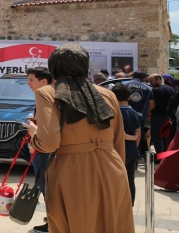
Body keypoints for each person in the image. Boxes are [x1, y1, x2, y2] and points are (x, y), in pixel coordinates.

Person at [28, 43, 134, 233]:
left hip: (72, 170)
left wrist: (34, 134)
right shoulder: (108, 94)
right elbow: (119, 140)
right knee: (112, 225)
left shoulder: (47, 93)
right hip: (113, 168)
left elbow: (49, 142)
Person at [25, 67, 53, 233]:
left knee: (45, 186)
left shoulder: (45, 98)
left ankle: (52, 223)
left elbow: (48, 128)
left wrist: (34, 131)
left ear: (43, 81)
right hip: (41, 148)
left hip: (43, 149)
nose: (28, 83)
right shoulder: (46, 96)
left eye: (31, 80)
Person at [111, 83, 141, 206]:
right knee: (130, 180)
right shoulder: (134, 112)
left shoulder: (115, 113)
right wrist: (133, 140)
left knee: (116, 182)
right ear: (129, 97)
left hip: (118, 152)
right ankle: (130, 205)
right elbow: (138, 134)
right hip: (132, 151)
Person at [124, 71, 154, 155]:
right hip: (140, 116)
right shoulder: (148, 88)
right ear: (144, 78)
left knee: (124, 133)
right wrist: (146, 113)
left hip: (124, 112)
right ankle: (137, 153)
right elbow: (152, 105)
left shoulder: (125, 85)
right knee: (138, 135)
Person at [148, 74, 174, 155]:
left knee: (157, 136)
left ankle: (159, 154)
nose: (150, 83)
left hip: (158, 116)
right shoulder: (170, 88)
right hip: (167, 115)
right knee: (164, 136)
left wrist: (148, 111)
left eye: (151, 81)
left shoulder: (159, 91)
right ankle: (164, 154)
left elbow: (156, 105)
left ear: (158, 79)